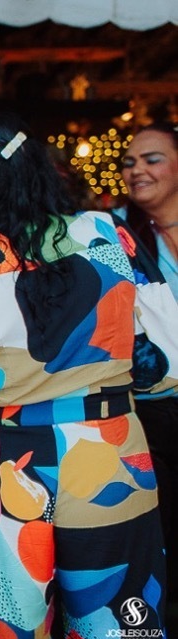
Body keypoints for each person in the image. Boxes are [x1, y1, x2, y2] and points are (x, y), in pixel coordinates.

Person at [0, 113, 178, 639]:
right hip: (110, 452)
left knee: (7, 636)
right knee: (124, 633)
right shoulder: (107, 234)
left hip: (0, 463)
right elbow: (168, 360)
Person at [120, 121, 178, 594]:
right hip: (153, 417)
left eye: (151, 159)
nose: (136, 169)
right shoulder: (113, 233)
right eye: (129, 163)